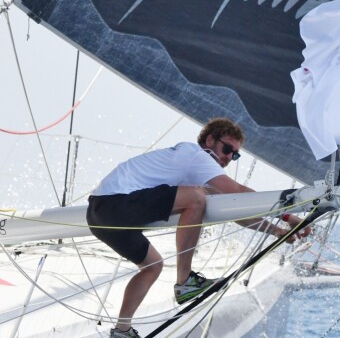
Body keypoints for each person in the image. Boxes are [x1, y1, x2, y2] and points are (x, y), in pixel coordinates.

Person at [86, 117, 311, 338]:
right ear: (210, 140)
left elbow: (237, 210)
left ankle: (121, 330)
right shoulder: (196, 156)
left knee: (153, 265)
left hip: (97, 214)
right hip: (115, 202)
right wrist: (287, 215)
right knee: (195, 198)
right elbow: (240, 193)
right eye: (226, 149)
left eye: (235, 155)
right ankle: (185, 282)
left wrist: (274, 230)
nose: (228, 158)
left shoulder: (197, 174)